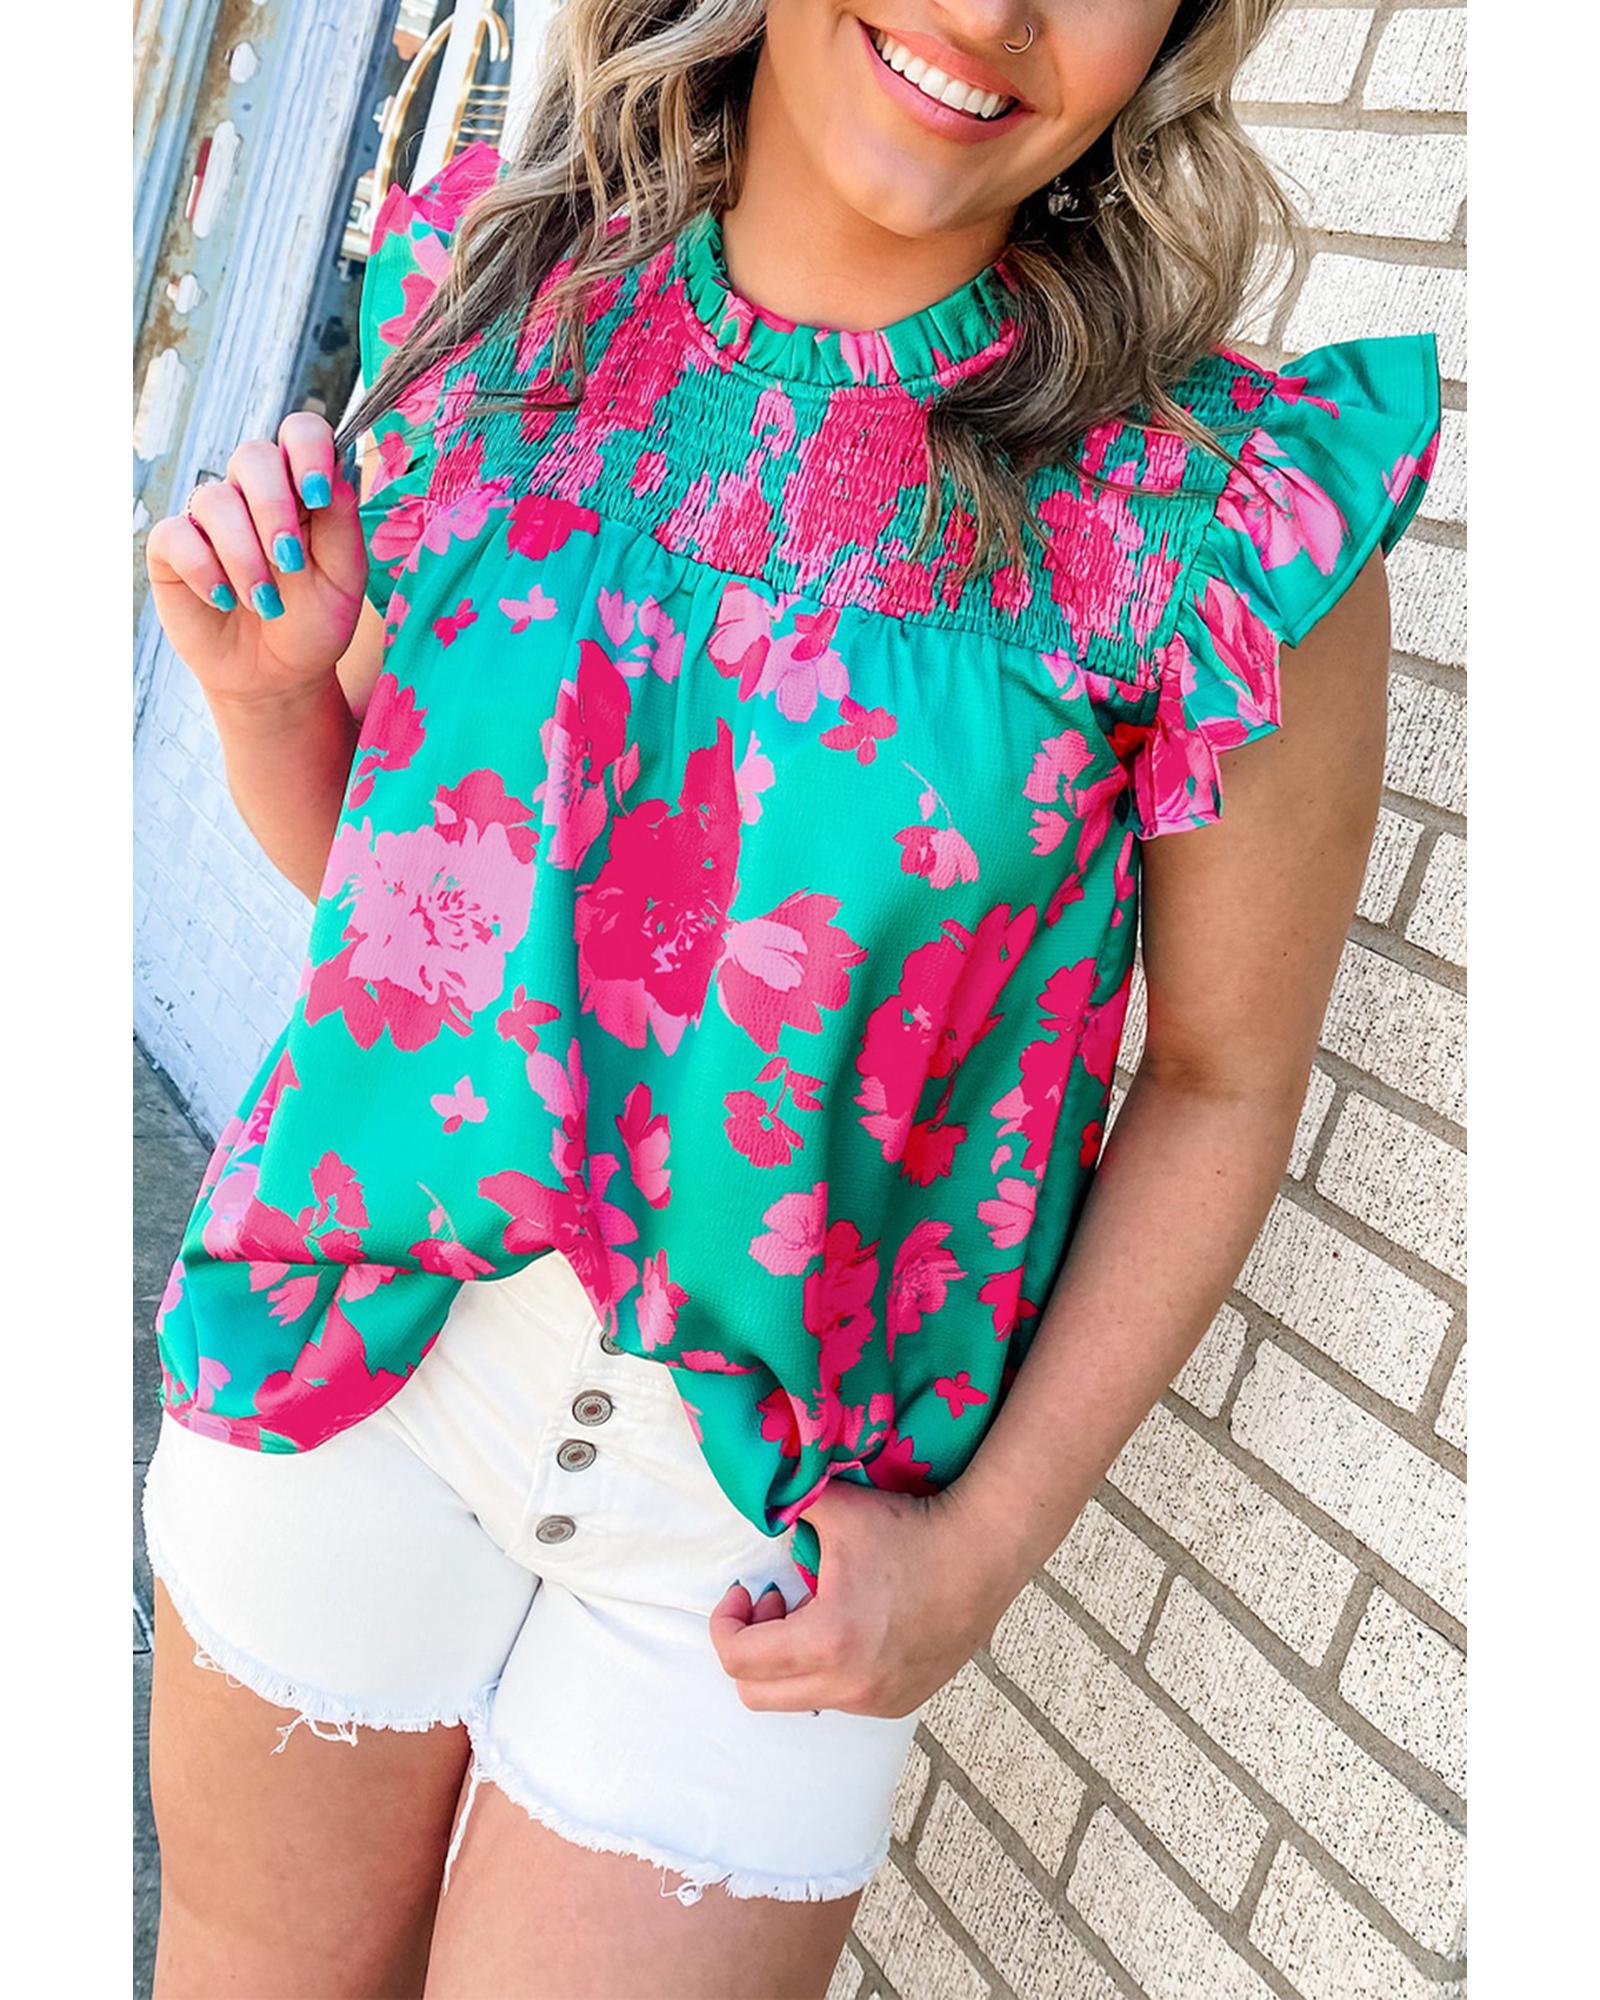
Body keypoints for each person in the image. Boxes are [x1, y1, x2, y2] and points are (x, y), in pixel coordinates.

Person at [139, 2, 1442, 1995]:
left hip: (769, 1565)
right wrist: (265, 704)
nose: (990, 16)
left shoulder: (1215, 519)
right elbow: (425, 923)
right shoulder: (498, 309)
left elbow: (1217, 1078)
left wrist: (979, 1553)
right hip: (357, 1390)